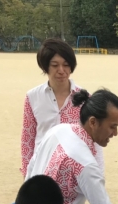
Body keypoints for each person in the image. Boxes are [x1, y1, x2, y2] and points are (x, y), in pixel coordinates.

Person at [21, 39, 85, 177]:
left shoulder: (85, 98)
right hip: (41, 170)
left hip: (73, 173)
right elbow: (28, 139)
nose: (61, 71)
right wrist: (27, 176)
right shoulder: (32, 97)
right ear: (45, 67)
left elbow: (92, 140)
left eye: (66, 65)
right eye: (55, 65)